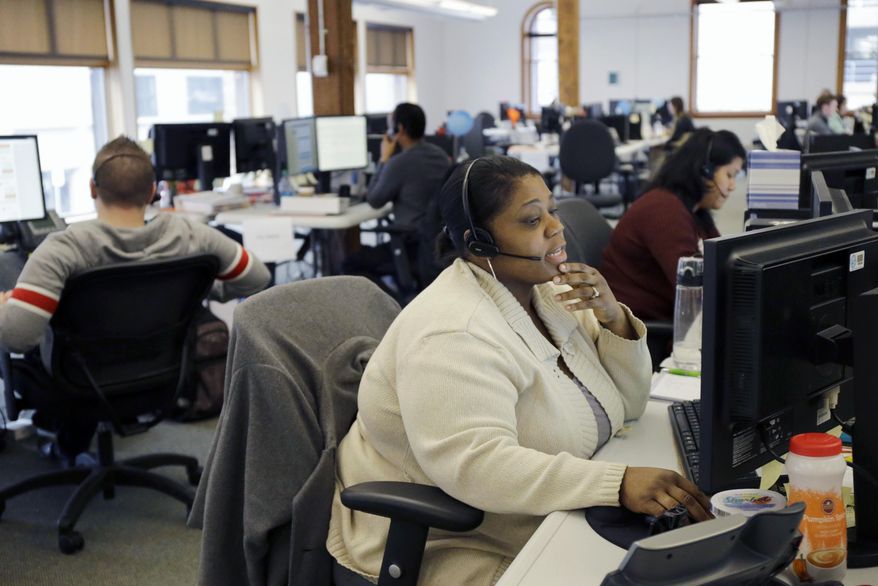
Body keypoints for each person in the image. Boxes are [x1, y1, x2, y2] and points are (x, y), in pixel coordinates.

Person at [327, 155, 712, 585]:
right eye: (531, 221)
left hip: (551, 513)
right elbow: (477, 465)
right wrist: (615, 484)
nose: (555, 227)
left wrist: (613, 321)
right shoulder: (454, 333)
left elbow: (631, 404)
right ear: (479, 243)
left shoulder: (551, 293)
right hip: (459, 540)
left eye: (553, 210)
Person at [0, 135, 271, 462]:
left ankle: (57, 444)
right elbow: (258, 278)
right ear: (153, 191)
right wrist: (202, 288)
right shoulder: (190, 235)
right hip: (162, 376)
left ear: (92, 189)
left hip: (75, 383)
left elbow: (17, 337)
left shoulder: (63, 249)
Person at [600, 128, 746, 321]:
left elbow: (719, 262)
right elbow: (692, 286)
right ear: (705, 171)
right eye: (729, 175)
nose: (733, 186)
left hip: (664, 316)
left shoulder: (696, 211)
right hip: (640, 328)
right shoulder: (664, 210)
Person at [342, 102, 452, 293]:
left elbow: (375, 200)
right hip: (438, 244)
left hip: (410, 245)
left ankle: (392, 304)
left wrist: (384, 158)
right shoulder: (440, 156)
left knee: (350, 265)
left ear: (399, 129)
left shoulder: (398, 163)